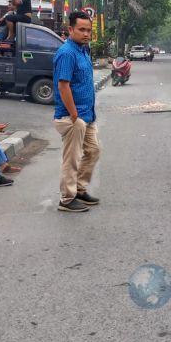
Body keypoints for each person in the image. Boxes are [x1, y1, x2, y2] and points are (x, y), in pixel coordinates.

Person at [53, 11, 100, 213]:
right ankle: (67, 198)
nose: (86, 34)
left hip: (87, 115)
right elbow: (63, 86)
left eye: (88, 30)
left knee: (93, 151)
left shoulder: (83, 50)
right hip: (72, 117)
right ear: (70, 29)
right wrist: (74, 116)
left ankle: (79, 189)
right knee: (71, 159)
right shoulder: (67, 53)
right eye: (81, 29)